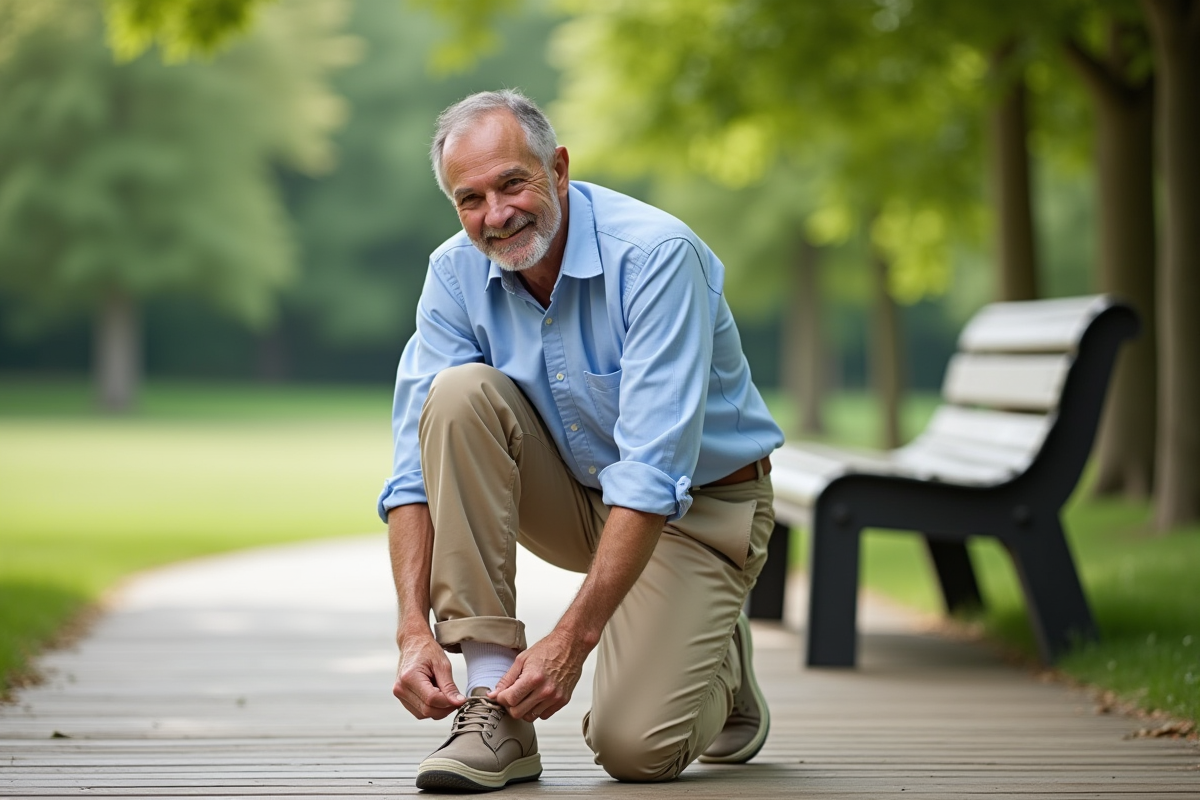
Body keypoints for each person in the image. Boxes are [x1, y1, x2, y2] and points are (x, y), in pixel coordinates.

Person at [378, 89, 784, 791]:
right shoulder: (453, 271)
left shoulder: (656, 257)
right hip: (579, 497)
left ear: (559, 169)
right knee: (457, 396)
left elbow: (655, 476)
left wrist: (571, 641)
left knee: (633, 750)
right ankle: (494, 709)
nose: (496, 215)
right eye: (470, 198)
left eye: (513, 183)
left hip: (699, 514)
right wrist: (413, 628)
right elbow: (412, 473)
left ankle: (717, 656)